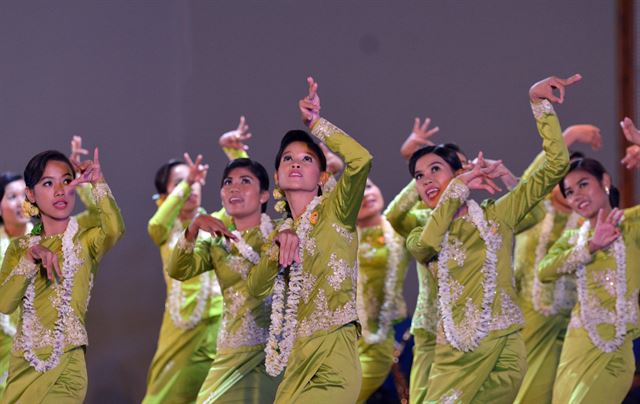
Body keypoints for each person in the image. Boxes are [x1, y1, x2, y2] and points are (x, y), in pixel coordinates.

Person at [405, 74, 577, 402]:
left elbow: (557, 165)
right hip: (457, 353)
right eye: (418, 175)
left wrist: (538, 103)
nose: (426, 179)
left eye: (435, 170)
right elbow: (425, 246)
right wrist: (455, 190)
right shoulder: (420, 233)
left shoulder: (497, 215)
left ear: (459, 173)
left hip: (507, 348)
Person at [246, 77, 372, 403]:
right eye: (288, 159)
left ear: (323, 176)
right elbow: (255, 289)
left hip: (334, 355)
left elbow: (361, 161)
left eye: (307, 159)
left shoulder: (337, 210)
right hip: (298, 360)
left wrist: (317, 124)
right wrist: (277, 249)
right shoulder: (278, 233)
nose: (296, 163)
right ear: (276, 176)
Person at [0, 148, 124, 403]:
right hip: (23, 366)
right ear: (31, 194)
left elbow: (114, 229)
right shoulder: (19, 248)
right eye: (48, 183)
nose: (60, 190)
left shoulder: (86, 240)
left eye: (66, 181)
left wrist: (97, 183)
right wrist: (29, 259)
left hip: (66, 366)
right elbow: (4, 303)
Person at [143, 118, 251, 404]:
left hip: (219, 329)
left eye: (194, 181)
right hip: (180, 333)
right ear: (167, 195)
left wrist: (235, 153)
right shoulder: (166, 230)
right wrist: (187, 181)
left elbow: (246, 200)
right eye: (179, 183)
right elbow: (155, 224)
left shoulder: (216, 221)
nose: (190, 187)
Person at [538, 121, 640, 402]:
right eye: (569, 192)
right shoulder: (573, 238)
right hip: (577, 349)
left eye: (583, 184)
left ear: (605, 181)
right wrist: (591, 247)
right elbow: (545, 271)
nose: (577, 195)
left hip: (616, 353)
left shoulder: (631, 224)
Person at [168, 156, 281, 404]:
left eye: (245, 181)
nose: (234, 187)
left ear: (264, 196)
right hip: (231, 354)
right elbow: (178, 269)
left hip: (274, 354)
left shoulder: (281, 232)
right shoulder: (216, 243)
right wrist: (194, 227)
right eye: (228, 182)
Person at [513, 125, 602, 404]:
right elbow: (531, 182)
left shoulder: (590, 220)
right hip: (532, 320)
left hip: (576, 322)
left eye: (581, 183)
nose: (571, 189)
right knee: (531, 394)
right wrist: (569, 136)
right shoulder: (534, 209)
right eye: (564, 180)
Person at [355, 178, 410, 402]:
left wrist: (413, 154)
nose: (366, 195)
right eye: (356, 194)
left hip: (388, 338)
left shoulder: (399, 229)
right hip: (348, 340)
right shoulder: (342, 239)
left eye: (368, 186)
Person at [0, 172, 32, 397]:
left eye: (25, 194)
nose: (22, 202)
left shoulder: (50, 239)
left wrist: (80, 181)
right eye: (12, 196)